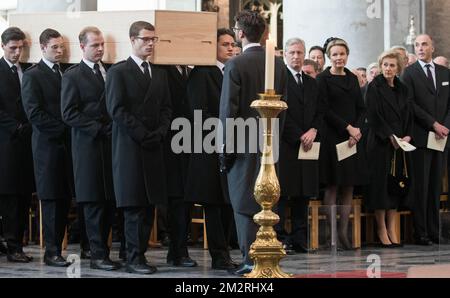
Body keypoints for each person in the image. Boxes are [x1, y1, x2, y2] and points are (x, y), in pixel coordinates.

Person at [219, 10, 286, 275]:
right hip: (272, 143)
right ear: (264, 34)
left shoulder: (235, 64)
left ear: (240, 33)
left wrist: (225, 147)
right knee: (267, 200)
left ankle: (251, 259)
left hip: (243, 144)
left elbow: (228, 111)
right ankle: (267, 255)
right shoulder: (278, 65)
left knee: (243, 202)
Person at [105, 21, 172, 274]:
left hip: (154, 145)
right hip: (130, 147)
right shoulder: (118, 72)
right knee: (133, 206)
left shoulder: (160, 73)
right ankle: (133, 258)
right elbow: (116, 109)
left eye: (154, 39)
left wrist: (160, 132)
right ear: (133, 40)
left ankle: (140, 254)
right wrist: (143, 133)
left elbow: (167, 108)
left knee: (148, 206)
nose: (150, 44)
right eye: (146, 39)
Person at [61, 26, 120, 271]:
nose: (99, 49)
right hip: (88, 147)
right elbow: (68, 113)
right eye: (95, 45)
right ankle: (97, 255)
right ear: (82, 47)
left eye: (102, 45)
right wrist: (97, 127)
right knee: (93, 202)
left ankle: (102, 252)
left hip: (111, 146)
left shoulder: (110, 71)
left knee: (108, 202)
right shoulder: (72, 75)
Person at [185, 28, 238, 270]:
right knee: (214, 203)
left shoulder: (233, 71)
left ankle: (225, 251)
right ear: (212, 47)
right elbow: (198, 113)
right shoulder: (202, 73)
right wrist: (224, 129)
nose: (230, 47)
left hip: (231, 145)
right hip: (208, 146)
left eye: (232, 43)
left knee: (228, 201)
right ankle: (219, 255)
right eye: (224, 44)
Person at [22, 28, 74, 267]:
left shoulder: (67, 72)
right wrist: (66, 127)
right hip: (48, 147)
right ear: (42, 48)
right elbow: (34, 113)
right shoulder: (33, 75)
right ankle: (51, 251)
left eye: (61, 46)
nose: (60, 50)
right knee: (52, 200)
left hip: (67, 147)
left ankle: (58, 249)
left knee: (64, 199)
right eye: (55, 47)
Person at [316, 38, 367, 250]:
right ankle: (332, 235)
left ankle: (344, 234)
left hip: (352, 139)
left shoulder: (353, 78)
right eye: (335, 54)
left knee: (349, 186)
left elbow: (361, 108)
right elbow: (325, 110)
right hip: (333, 137)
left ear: (347, 55)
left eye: (342, 54)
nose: (339, 58)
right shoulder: (323, 78)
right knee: (333, 186)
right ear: (329, 56)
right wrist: (348, 128)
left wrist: (356, 130)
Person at [401, 34, 450, 245]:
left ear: (433, 47)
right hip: (422, 136)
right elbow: (410, 104)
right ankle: (421, 232)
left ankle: (434, 230)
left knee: (435, 186)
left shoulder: (445, 72)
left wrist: (445, 126)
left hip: (442, 137)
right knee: (421, 185)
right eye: (417, 45)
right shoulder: (409, 73)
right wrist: (433, 124)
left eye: (424, 44)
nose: (420, 48)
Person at [278, 37, 325, 254]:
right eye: (292, 52)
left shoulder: (311, 82)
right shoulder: (280, 79)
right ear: (285, 54)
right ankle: (279, 237)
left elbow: (319, 111)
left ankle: (300, 237)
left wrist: (314, 130)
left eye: (299, 52)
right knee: (283, 193)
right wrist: (299, 135)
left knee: (303, 193)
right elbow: (280, 113)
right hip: (287, 144)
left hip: (309, 144)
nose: (296, 56)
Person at [365, 50, 413, 247]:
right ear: (380, 65)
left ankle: (393, 228)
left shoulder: (403, 88)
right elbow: (373, 115)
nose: (388, 68)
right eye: (385, 65)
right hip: (380, 143)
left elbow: (409, 114)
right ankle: (381, 229)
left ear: (398, 68)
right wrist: (389, 136)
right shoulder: (374, 87)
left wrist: (407, 135)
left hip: (400, 143)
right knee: (381, 187)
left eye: (392, 65)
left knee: (395, 186)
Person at [158, 63, 197, 268]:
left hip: (191, 142)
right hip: (169, 141)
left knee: (184, 200)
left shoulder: (193, 70)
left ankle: (179, 250)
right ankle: (177, 250)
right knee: (176, 199)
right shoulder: (163, 69)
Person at [0, 27, 34, 263]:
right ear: (3, 47)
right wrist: (16, 127)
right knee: (9, 196)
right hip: (6, 142)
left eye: (20, 48)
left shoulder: (28, 70)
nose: (17, 53)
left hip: (27, 141)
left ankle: (15, 243)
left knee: (22, 194)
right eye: (13, 48)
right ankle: (12, 246)